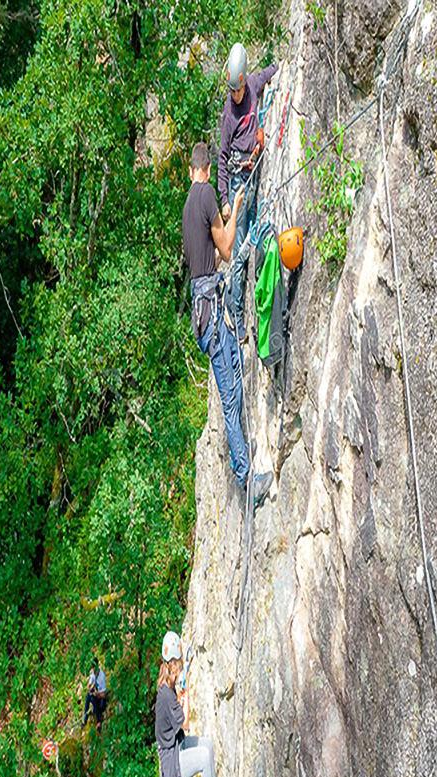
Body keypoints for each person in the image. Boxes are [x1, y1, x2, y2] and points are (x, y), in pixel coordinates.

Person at [182, 140, 273, 509]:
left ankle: (242, 452)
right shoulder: (206, 196)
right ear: (207, 170)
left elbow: (206, 247)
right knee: (230, 393)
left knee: (233, 374)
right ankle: (247, 479)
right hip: (210, 308)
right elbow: (228, 248)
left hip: (203, 306)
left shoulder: (190, 203)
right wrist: (234, 209)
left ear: (191, 170)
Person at [218, 42, 278, 344]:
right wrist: (226, 199)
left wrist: (280, 68)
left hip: (254, 174)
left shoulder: (252, 84)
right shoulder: (228, 116)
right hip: (239, 183)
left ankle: (249, 306)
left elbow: (270, 72)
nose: (236, 96)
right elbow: (222, 158)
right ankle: (236, 313)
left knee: (255, 242)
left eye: (238, 91)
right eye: (232, 91)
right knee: (240, 253)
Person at [154, 630, 227, 777]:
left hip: (177, 745)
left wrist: (181, 690)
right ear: (173, 663)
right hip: (172, 762)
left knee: (208, 745)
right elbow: (185, 723)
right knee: (204, 757)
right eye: (179, 662)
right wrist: (185, 698)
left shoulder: (167, 684)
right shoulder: (166, 694)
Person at [83, 659, 107, 729]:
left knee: (94, 699)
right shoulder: (93, 674)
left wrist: (97, 694)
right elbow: (89, 686)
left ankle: (99, 721)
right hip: (95, 695)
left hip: (101, 698)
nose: (93, 669)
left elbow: (104, 694)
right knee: (89, 696)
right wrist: (91, 686)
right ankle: (85, 717)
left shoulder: (101, 676)